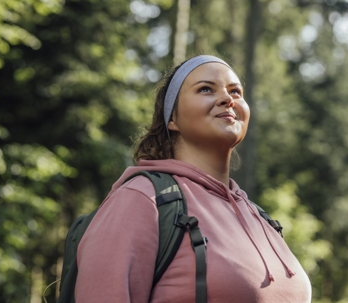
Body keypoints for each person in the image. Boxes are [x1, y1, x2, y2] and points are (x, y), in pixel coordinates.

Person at [75, 55, 312, 302]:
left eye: (235, 91)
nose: (227, 99)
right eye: (206, 89)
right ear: (172, 119)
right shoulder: (142, 200)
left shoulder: (259, 217)